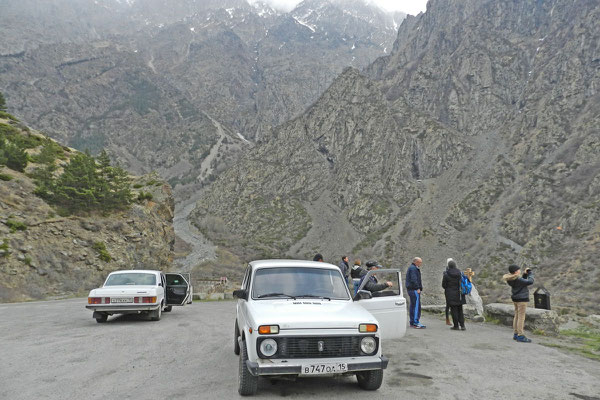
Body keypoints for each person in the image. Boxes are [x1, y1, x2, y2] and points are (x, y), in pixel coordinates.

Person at [503, 264, 534, 343]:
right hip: (522, 299)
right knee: (521, 317)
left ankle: (516, 333)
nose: (520, 271)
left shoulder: (511, 278)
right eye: (519, 270)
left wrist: (524, 275)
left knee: (516, 316)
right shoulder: (517, 279)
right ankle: (520, 335)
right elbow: (530, 281)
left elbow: (521, 283)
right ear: (516, 271)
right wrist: (530, 273)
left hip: (516, 298)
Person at [442, 259, 466, 330]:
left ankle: (456, 326)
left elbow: (443, 285)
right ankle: (462, 325)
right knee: (460, 310)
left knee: (454, 310)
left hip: (450, 294)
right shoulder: (460, 273)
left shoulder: (446, 274)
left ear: (448, 266)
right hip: (459, 294)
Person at [406, 257, 425, 328]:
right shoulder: (413, 269)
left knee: (413, 305)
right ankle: (415, 322)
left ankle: (413, 322)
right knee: (416, 306)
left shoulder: (412, 268)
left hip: (411, 289)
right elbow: (414, 279)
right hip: (414, 290)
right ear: (416, 262)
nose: (421, 264)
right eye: (420, 262)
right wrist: (417, 288)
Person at [444, 258, 453, 326]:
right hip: (451, 291)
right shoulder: (447, 272)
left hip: (448, 291)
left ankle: (448, 319)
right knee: (449, 305)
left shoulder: (446, 272)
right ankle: (448, 319)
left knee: (448, 305)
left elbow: (443, 285)